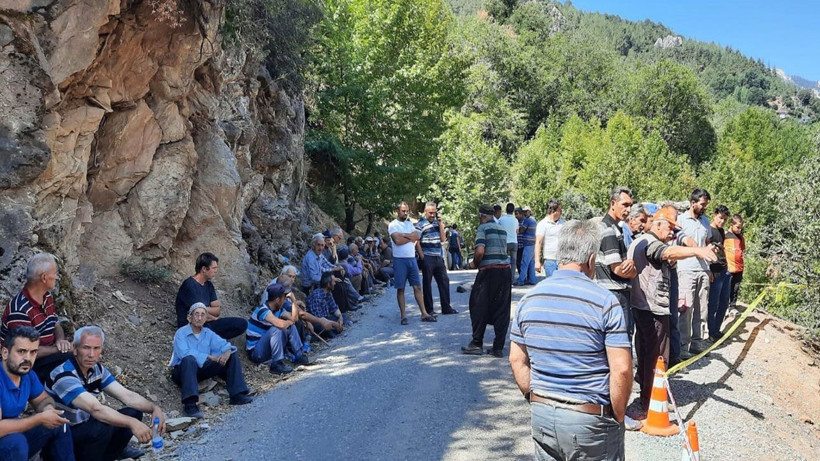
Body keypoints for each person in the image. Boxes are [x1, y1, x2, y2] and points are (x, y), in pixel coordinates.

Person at [509, 219, 632, 460]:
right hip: (589, 420)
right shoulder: (605, 302)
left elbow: (516, 360)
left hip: (543, 416)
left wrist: (534, 398)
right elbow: (622, 370)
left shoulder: (528, 300)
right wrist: (617, 416)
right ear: (592, 259)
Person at [628, 207, 717, 413]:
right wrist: (698, 251)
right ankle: (651, 401)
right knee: (657, 356)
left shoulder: (643, 241)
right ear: (657, 224)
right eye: (670, 228)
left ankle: (647, 396)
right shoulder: (651, 243)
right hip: (652, 309)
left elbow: (664, 256)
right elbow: (665, 252)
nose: (672, 234)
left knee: (646, 353)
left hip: (643, 306)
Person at [46, 326, 165, 461]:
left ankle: (110, 456)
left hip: (84, 427)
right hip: (63, 437)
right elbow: (95, 408)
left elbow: (127, 396)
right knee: (102, 425)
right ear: (75, 348)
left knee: (134, 412)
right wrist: (132, 423)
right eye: (86, 348)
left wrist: (154, 408)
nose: (91, 354)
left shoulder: (97, 370)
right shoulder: (63, 374)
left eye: (96, 348)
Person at [0, 326, 74, 461]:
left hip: (12, 442)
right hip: (7, 442)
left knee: (58, 422)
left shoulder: (27, 375)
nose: (27, 358)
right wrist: (39, 418)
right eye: (21, 351)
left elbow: (42, 400)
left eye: (33, 352)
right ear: (5, 353)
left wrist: (48, 410)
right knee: (16, 442)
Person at [170, 304, 252, 419]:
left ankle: (237, 395)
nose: (199, 318)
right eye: (196, 314)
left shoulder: (207, 333)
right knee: (189, 360)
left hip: (202, 369)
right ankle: (190, 405)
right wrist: (209, 357)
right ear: (190, 318)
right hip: (183, 372)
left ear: (206, 318)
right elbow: (184, 353)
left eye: (202, 315)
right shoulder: (181, 333)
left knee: (232, 355)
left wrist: (227, 351)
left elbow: (223, 344)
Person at [1, 253, 73, 383]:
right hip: (25, 365)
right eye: (55, 273)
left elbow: (55, 324)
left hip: (46, 356)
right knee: (74, 358)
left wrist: (60, 340)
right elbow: (24, 352)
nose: (57, 277)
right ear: (44, 278)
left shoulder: (47, 298)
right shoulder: (20, 310)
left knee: (80, 355)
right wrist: (59, 350)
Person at [461, 204, 511, 358]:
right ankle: (498, 348)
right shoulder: (502, 229)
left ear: (481, 216)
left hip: (489, 271)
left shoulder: (482, 228)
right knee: (502, 308)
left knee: (478, 305)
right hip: (505, 271)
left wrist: (473, 264)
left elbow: (480, 251)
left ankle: (477, 343)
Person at [595, 187, 638, 341]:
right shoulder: (608, 229)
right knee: (621, 339)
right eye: (625, 205)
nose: (628, 209)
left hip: (611, 292)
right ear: (613, 203)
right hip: (616, 292)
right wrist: (633, 270)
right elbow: (618, 269)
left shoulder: (614, 228)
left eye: (630, 205)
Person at [174, 253, 247, 340]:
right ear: (204, 269)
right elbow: (198, 315)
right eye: (213, 268)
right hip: (192, 327)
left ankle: (212, 341)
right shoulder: (189, 285)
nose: (216, 271)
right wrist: (212, 316)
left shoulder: (209, 285)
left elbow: (217, 310)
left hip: (208, 325)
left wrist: (204, 309)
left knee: (241, 323)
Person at [676, 189, 713, 357]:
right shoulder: (681, 220)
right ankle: (683, 346)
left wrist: (710, 267)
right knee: (686, 308)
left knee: (702, 308)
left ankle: (697, 342)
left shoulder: (706, 221)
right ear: (693, 203)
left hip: (703, 269)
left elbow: (707, 243)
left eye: (706, 204)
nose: (704, 207)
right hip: (686, 269)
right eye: (702, 204)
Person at [389, 201, 436, 325]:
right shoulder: (393, 225)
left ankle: (424, 313)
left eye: (407, 211)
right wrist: (409, 237)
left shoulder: (410, 224)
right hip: (399, 259)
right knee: (401, 288)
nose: (405, 213)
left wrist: (404, 235)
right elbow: (397, 241)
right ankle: (403, 316)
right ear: (397, 211)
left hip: (411, 258)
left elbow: (416, 237)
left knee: (417, 286)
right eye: (403, 210)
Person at [246, 284, 310, 375]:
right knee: (277, 328)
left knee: (290, 326)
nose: (285, 301)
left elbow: (294, 319)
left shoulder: (279, 310)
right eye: (284, 298)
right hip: (257, 352)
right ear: (277, 300)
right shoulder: (262, 310)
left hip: (267, 349)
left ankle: (299, 355)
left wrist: (293, 301)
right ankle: (276, 365)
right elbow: (279, 324)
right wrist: (288, 322)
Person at [416, 202, 457, 316]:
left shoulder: (436, 223)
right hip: (427, 256)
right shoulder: (420, 224)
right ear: (425, 212)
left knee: (444, 280)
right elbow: (416, 241)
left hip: (438, 256)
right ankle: (429, 310)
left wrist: (440, 225)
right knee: (427, 284)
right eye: (430, 213)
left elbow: (443, 239)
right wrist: (422, 256)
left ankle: (446, 307)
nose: (432, 215)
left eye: (434, 212)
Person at [301, 233, 352, 313]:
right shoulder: (310, 257)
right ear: (313, 245)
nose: (320, 248)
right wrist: (331, 278)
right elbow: (315, 278)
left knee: (340, 275)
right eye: (318, 245)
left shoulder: (319, 254)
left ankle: (346, 307)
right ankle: (341, 312)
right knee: (336, 286)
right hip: (311, 285)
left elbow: (328, 264)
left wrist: (337, 268)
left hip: (319, 279)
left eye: (322, 245)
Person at [707, 205, 732, 342]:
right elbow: (706, 250)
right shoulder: (709, 230)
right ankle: (711, 332)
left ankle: (717, 329)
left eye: (725, 219)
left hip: (724, 270)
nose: (722, 221)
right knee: (713, 304)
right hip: (715, 271)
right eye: (720, 218)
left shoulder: (721, 231)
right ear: (715, 214)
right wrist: (709, 270)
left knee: (724, 303)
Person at [305, 273, 348, 337]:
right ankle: (335, 330)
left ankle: (337, 328)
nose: (335, 283)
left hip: (327, 318)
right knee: (325, 327)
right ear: (328, 284)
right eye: (333, 281)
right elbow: (319, 317)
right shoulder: (317, 296)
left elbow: (334, 308)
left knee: (344, 316)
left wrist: (340, 318)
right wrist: (335, 324)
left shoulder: (328, 293)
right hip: (319, 322)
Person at [534, 199, 564, 278]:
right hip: (550, 260)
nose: (561, 212)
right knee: (552, 286)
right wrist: (537, 261)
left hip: (562, 260)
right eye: (559, 210)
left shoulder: (562, 223)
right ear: (553, 211)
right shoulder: (543, 224)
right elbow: (538, 243)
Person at [725, 214, 746, 307]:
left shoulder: (741, 237)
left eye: (741, 228)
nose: (739, 230)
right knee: (727, 288)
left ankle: (733, 306)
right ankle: (724, 306)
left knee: (736, 288)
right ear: (731, 224)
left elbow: (742, 249)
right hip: (728, 268)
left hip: (739, 268)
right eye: (738, 227)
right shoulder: (725, 236)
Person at [515, 206, 537, 286]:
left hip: (528, 244)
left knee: (524, 263)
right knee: (531, 263)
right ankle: (532, 279)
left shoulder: (528, 220)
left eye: (525, 211)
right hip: (532, 244)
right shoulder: (533, 220)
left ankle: (521, 280)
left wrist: (516, 229)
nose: (524, 213)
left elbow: (521, 231)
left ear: (529, 211)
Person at [497, 203, 520, 281]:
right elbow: (517, 231)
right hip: (514, 242)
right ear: (513, 211)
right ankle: (511, 279)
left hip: (504, 242)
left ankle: (503, 278)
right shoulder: (516, 220)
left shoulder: (501, 219)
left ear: (506, 210)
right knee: (513, 262)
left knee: (503, 261)